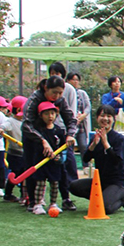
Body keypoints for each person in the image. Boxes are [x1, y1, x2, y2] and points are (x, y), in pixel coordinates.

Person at [23, 77, 78, 214]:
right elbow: (26, 124)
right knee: (33, 169)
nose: (57, 96)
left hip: (54, 137)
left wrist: (70, 134)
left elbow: (71, 119)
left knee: (62, 168)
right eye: (54, 92)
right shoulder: (35, 99)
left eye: (60, 93)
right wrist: (42, 140)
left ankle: (65, 199)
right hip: (34, 139)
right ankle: (33, 201)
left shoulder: (60, 100)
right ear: (46, 88)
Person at [69, 104, 124, 214]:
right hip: (101, 182)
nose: (105, 119)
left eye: (109, 116)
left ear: (113, 119)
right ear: (97, 118)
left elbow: (117, 162)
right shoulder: (96, 137)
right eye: (102, 115)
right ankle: (105, 197)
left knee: (105, 208)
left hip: (118, 183)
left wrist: (105, 144)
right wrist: (93, 145)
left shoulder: (119, 139)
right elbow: (86, 158)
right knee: (73, 186)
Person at [23, 101, 67, 215]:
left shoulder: (59, 131)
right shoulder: (38, 131)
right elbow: (36, 146)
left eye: (52, 113)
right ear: (41, 115)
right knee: (40, 183)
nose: (50, 116)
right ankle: (37, 204)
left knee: (54, 183)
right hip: (41, 162)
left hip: (54, 163)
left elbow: (62, 147)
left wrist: (59, 157)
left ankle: (53, 203)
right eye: (47, 114)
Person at [48, 63, 79, 211]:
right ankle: (40, 199)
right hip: (49, 132)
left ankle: (67, 196)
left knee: (66, 165)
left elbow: (71, 114)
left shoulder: (70, 90)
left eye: (57, 73)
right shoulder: (45, 90)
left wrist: (69, 133)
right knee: (51, 167)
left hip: (64, 134)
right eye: (52, 73)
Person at [3, 97, 27, 203]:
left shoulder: (26, 121)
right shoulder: (11, 121)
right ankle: (8, 194)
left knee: (25, 174)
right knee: (15, 174)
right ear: (18, 110)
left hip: (25, 153)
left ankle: (24, 195)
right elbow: (4, 126)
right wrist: (1, 129)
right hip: (15, 153)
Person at [67, 72, 91, 150]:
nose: (75, 81)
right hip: (70, 125)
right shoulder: (66, 92)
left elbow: (88, 106)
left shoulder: (82, 93)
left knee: (83, 146)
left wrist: (84, 115)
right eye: (73, 79)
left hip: (81, 126)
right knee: (69, 147)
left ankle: (86, 162)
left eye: (77, 80)